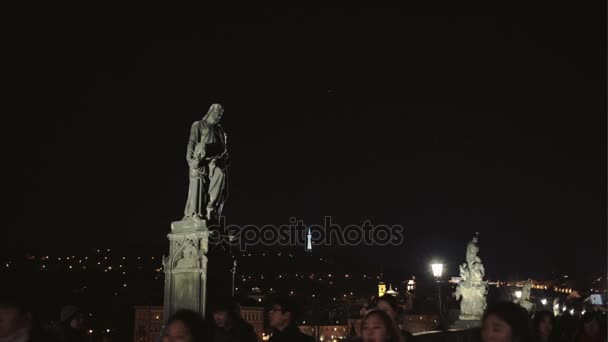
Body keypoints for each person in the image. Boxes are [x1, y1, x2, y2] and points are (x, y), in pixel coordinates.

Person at [183, 103, 228, 222]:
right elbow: (192, 142)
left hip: (214, 161)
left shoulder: (220, 130)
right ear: (211, 112)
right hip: (200, 160)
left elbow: (223, 148)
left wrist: (221, 157)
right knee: (198, 184)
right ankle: (194, 213)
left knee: (220, 175)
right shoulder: (199, 125)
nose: (218, 117)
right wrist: (191, 159)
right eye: (217, 113)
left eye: (221, 115)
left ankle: (211, 206)